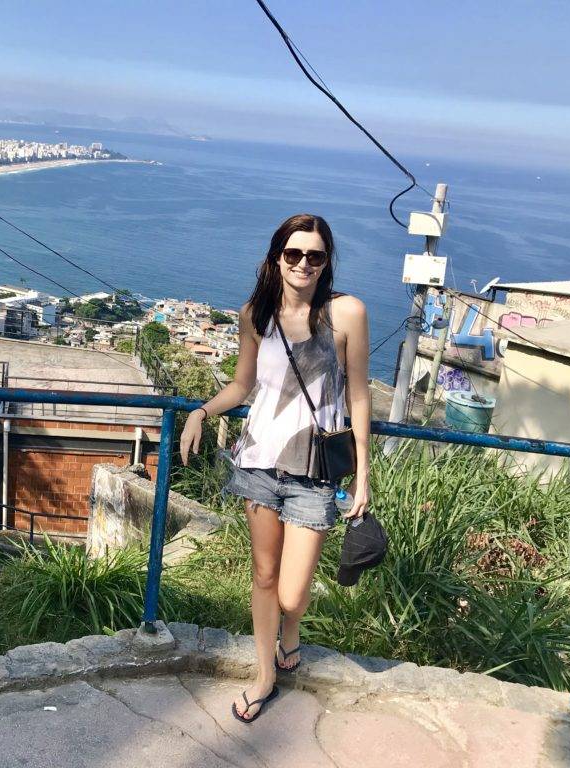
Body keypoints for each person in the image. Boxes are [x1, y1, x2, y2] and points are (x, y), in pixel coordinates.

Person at [178, 213, 371, 723]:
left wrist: (364, 477)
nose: (303, 263)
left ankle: (291, 632)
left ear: (327, 262)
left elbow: (359, 394)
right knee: (263, 575)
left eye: (315, 256)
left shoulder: (346, 314)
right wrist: (201, 410)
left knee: (292, 591)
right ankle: (265, 674)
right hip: (259, 463)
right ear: (276, 258)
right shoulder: (255, 316)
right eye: (293, 254)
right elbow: (242, 386)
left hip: (315, 473)